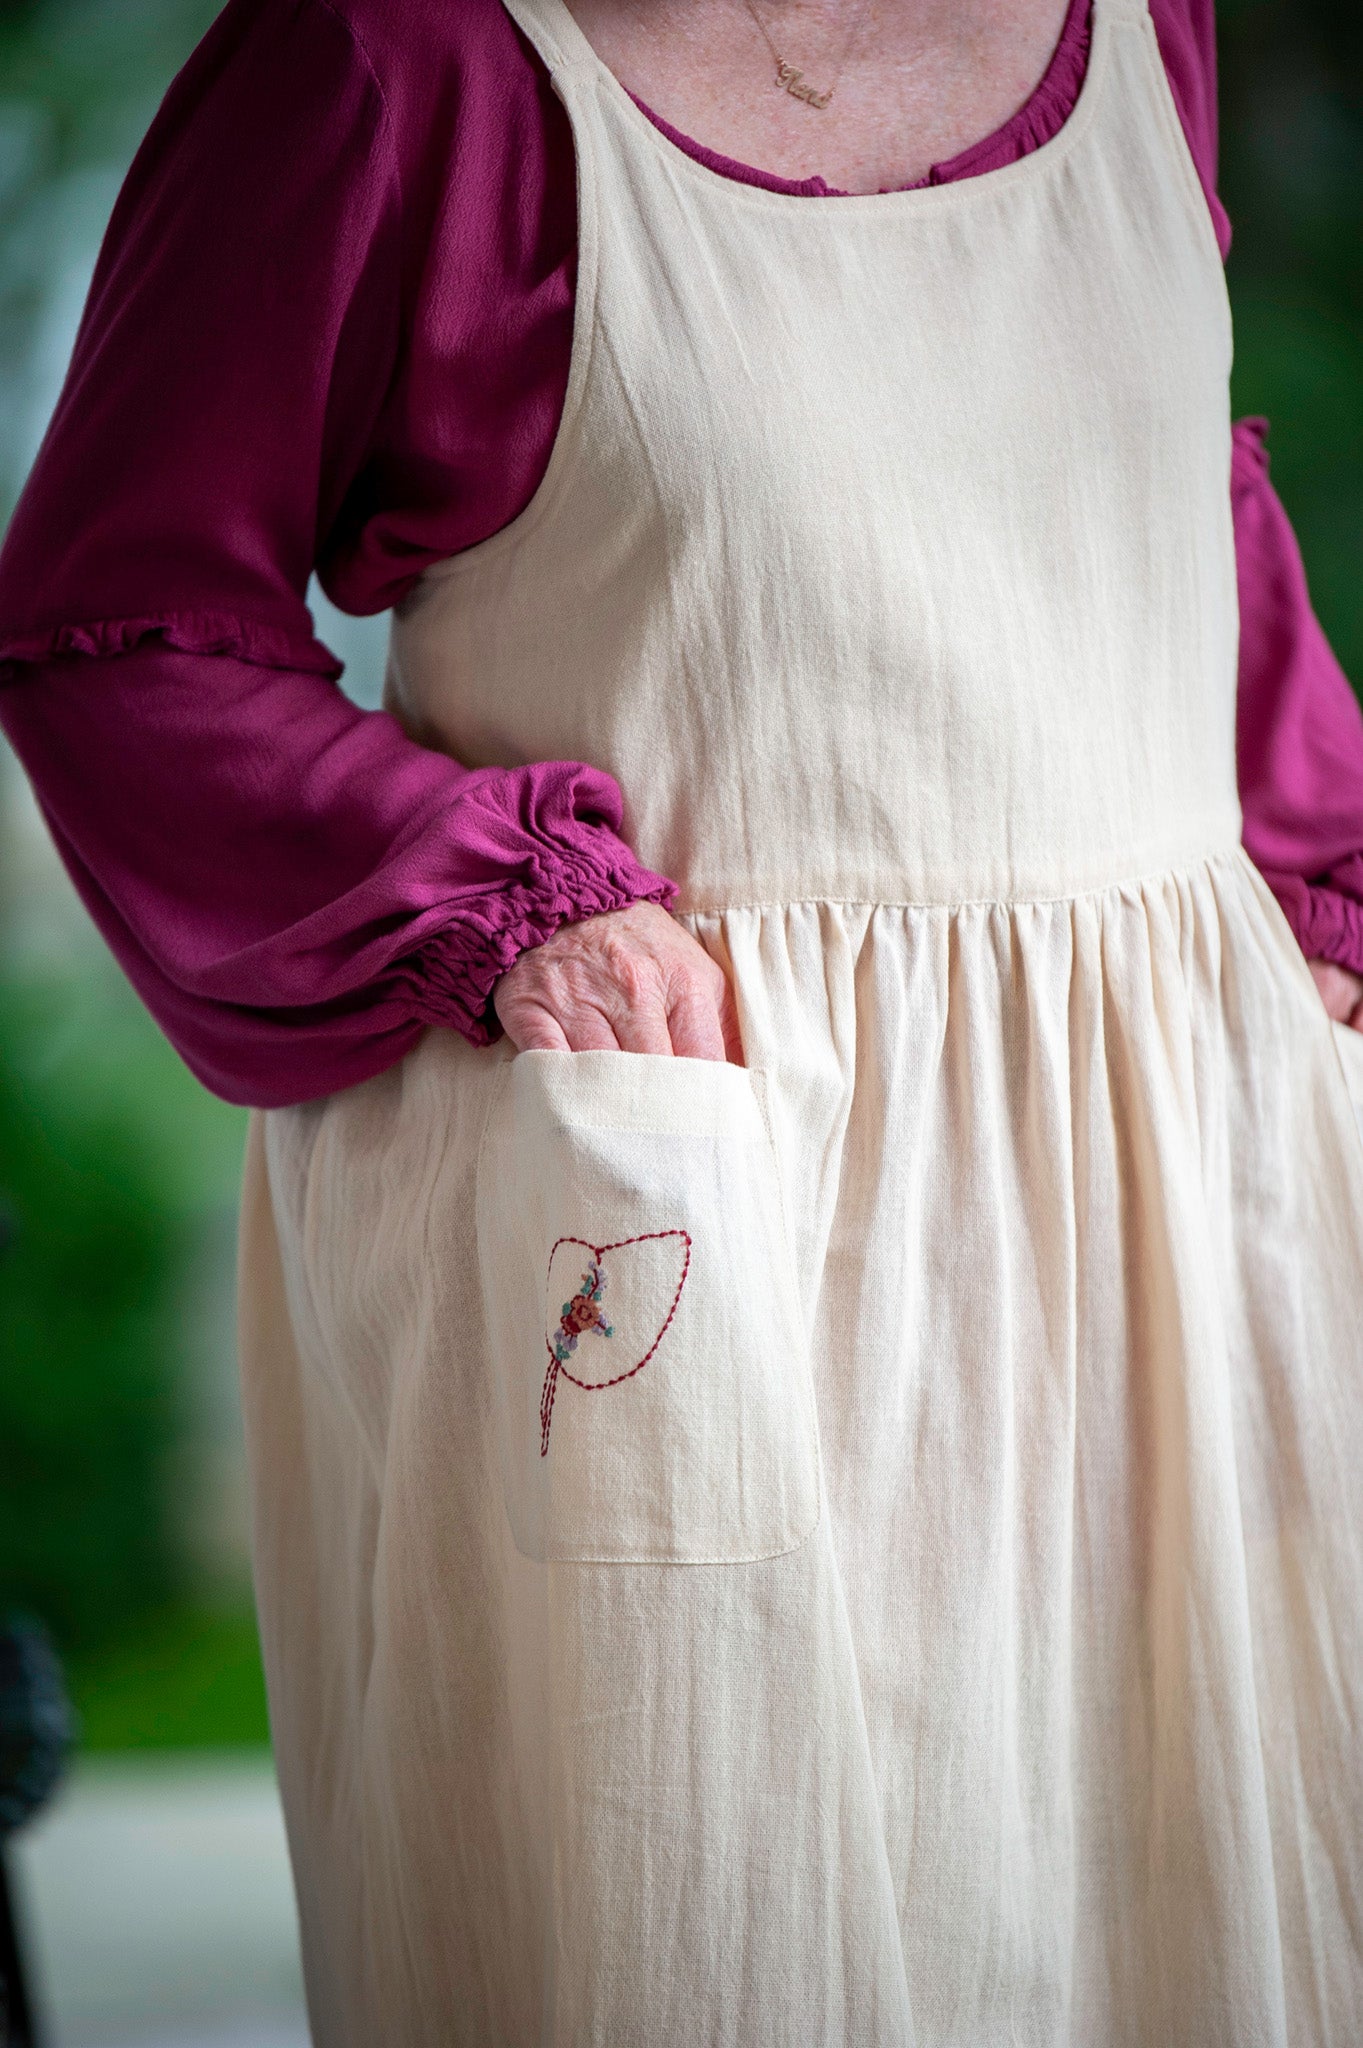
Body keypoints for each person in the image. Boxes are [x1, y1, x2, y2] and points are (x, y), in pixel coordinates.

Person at [1, 0, 1362, 2038]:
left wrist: (1316, 878)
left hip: (1170, 1208)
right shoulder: (395, 62)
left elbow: (1180, 498)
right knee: (720, 1934)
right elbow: (122, 628)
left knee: (1196, 1928)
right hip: (690, 1207)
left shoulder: (1145, 25)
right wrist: (507, 909)